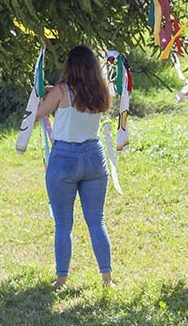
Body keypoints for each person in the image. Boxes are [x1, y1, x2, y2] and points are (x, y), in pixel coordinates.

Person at [35, 45, 113, 288]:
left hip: (64, 158)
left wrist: (44, 95)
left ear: (70, 67)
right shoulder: (101, 90)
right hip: (93, 155)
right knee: (97, 221)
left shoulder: (61, 91)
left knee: (63, 223)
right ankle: (107, 278)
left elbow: (38, 114)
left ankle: (61, 278)